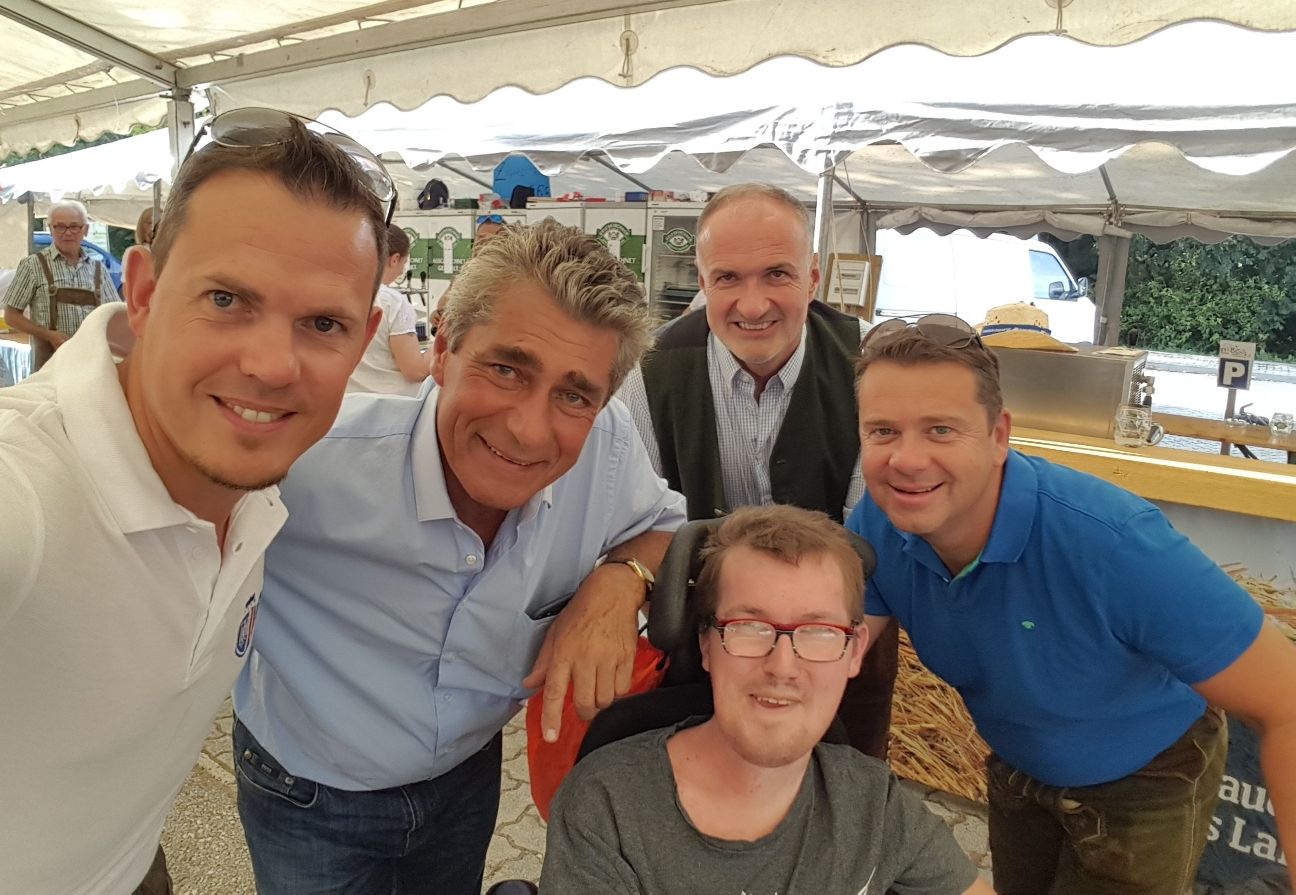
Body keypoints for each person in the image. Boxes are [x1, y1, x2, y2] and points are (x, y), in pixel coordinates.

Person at [232, 218, 687, 895]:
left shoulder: (607, 446)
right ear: (442, 350)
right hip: (309, 790)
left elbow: (666, 526)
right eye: (506, 369)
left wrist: (619, 583)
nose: (528, 428)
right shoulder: (307, 462)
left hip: (465, 781)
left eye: (574, 395)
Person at [0, 110, 390, 895]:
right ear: (144, 292)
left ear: (365, 337)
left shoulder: (261, 480)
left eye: (323, 322)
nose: (273, 365)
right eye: (226, 298)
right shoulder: (28, 490)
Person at [847, 315, 1296, 894]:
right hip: (1020, 761)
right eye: (883, 431)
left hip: (1146, 778)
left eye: (941, 430)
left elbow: (1285, 699)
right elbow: (833, 649)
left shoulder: (1113, 543)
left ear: (999, 436)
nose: (907, 460)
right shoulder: (878, 523)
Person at [540, 505, 993, 894]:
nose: (782, 665)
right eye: (750, 628)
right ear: (706, 644)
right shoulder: (607, 808)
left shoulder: (875, 807)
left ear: (854, 651)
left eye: (818, 632)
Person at [618, 182, 898, 759]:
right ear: (702, 283)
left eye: (776, 274)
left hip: (841, 637)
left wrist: (817, 651)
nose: (752, 305)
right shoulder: (646, 374)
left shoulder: (871, 370)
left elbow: (873, 539)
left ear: (813, 278)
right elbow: (637, 524)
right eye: (728, 278)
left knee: (844, 788)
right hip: (702, 642)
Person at [4, 199, 121, 370]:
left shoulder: (98, 269)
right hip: (49, 364)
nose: (67, 233)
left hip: (90, 363)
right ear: (50, 229)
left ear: (85, 230)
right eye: (60, 227)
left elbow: (115, 316)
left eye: (74, 226)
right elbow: (11, 316)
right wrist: (47, 335)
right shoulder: (32, 265)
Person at [348, 223, 430, 395]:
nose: (402, 271)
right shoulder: (394, 302)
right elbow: (415, 371)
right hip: (389, 403)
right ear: (395, 259)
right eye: (404, 263)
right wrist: (442, 345)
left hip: (348, 402)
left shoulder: (343, 291)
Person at [120, 207, 158, 295]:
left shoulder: (172, 253)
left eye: (160, 223)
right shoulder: (134, 252)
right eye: (150, 223)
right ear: (142, 227)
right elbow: (126, 286)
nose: (154, 227)